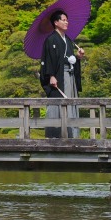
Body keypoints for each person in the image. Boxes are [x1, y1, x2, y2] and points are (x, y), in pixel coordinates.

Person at [40, 10, 85, 138]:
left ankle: (73, 135)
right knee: (58, 103)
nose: (66, 22)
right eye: (63, 20)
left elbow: (69, 59)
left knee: (71, 102)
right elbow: (48, 59)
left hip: (70, 76)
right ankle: (55, 135)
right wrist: (51, 76)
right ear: (56, 22)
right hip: (59, 77)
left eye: (67, 20)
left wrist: (78, 57)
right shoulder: (51, 39)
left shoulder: (68, 40)